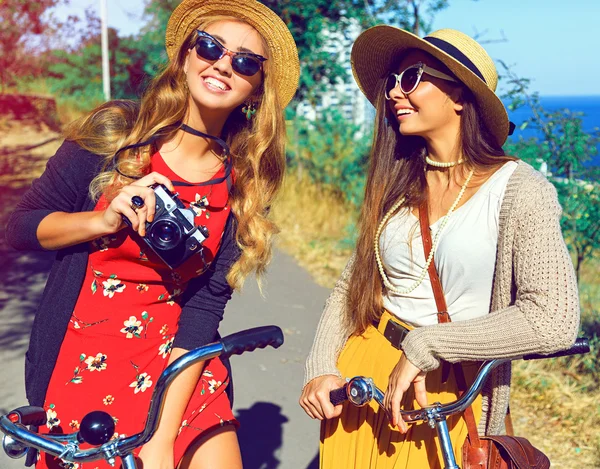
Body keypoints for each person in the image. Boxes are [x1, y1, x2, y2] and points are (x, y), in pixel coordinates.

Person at [5, 1, 299, 468]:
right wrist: (101, 222)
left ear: (255, 91)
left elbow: (205, 305)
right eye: (210, 46)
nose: (223, 63)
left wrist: (161, 438)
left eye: (245, 62)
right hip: (85, 362)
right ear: (185, 57)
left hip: (180, 366)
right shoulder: (115, 133)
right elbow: (18, 227)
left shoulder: (244, 182)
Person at [300, 26, 580, 468]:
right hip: (362, 380)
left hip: (444, 391)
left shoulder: (520, 190)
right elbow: (350, 289)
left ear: (460, 96)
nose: (394, 92)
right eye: (391, 80)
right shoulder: (397, 179)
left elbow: (554, 320)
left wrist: (427, 345)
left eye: (411, 77)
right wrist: (321, 364)